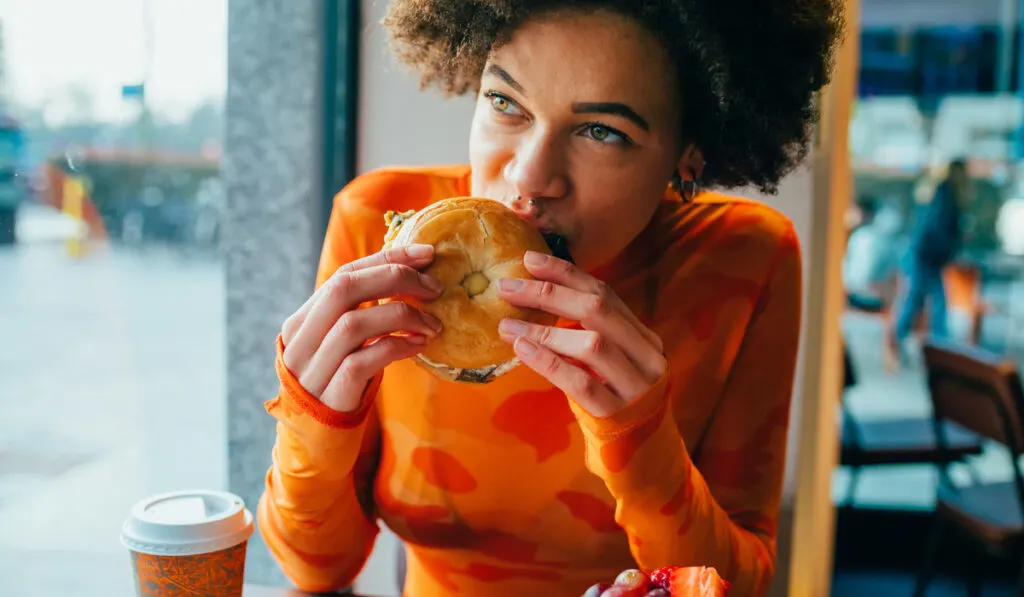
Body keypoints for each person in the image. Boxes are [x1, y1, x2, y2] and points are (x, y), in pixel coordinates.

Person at [257, 2, 843, 596]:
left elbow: (740, 584)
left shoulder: (745, 259)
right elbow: (317, 570)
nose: (530, 177)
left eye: (602, 132)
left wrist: (646, 455)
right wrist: (314, 427)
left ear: (689, 151)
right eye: (505, 102)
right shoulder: (375, 224)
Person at [891, 159, 970, 353]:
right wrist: (952, 246)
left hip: (928, 256)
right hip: (926, 256)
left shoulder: (944, 193)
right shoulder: (945, 193)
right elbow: (936, 229)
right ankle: (934, 349)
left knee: (924, 302)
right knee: (924, 302)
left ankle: (927, 346)